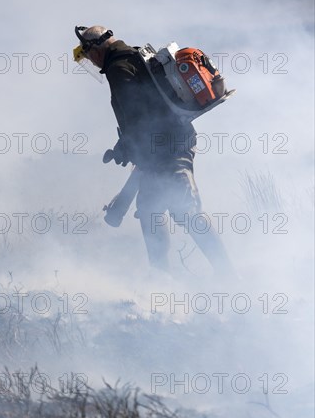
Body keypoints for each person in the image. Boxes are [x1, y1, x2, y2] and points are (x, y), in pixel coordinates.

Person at [74, 25, 235, 277]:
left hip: (170, 147)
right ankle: (161, 281)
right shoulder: (131, 55)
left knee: (186, 211)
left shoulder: (118, 68)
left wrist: (127, 146)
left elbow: (138, 114)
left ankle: (230, 277)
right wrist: (125, 146)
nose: (91, 62)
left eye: (88, 54)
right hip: (160, 148)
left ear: (96, 49)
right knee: (150, 210)